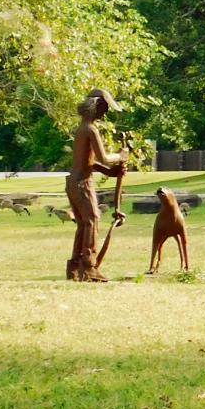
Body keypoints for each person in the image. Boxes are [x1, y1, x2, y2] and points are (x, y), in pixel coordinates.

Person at [66, 89, 126, 281]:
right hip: (82, 184)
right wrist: (120, 156)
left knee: (84, 224)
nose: (106, 112)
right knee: (92, 220)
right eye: (105, 107)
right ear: (97, 106)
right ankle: (89, 266)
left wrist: (111, 172)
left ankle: (75, 267)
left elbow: (88, 162)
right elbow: (103, 158)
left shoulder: (82, 129)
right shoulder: (91, 130)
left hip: (73, 183)